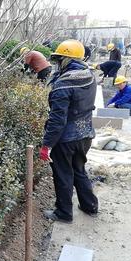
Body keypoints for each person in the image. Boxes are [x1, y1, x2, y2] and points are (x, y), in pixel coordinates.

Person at [39, 39, 99, 223]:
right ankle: (90, 206)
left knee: (63, 173)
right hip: (86, 134)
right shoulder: (89, 76)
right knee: (79, 169)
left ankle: (64, 213)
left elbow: (58, 121)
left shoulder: (63, 85)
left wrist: (47, 145)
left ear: (66, 60)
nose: (57, 64)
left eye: (59, 60)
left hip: (66, 139)